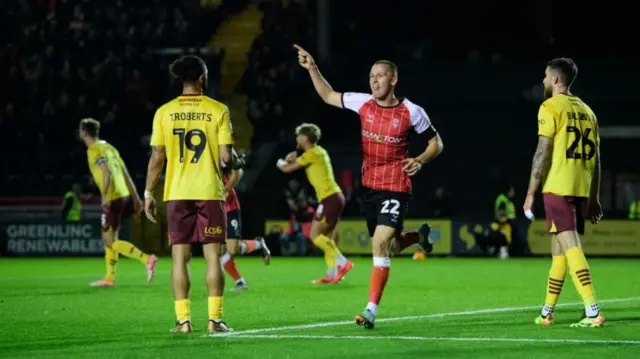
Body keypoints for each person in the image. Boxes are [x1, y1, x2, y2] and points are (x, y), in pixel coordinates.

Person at [294, 45, 444, 329]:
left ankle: (371, 310)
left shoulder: (412, 111)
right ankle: (419, 237)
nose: (374, 81)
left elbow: (436, 142)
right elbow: (327, 95)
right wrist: (312, 68)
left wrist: (421, 160)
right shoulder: (362, 102)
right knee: (392, 245)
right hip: (370, 187)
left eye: (380, 76)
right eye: (371, 76)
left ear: (393, 80)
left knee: (379, 244)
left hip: (396, 185)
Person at [143, 55, 244, 334]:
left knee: (179, 259)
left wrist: (148, 192)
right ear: (202, 78)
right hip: (209, 191)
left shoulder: (164, 111)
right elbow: (226, 156)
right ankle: (214, 320)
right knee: (213, 257)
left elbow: (157, 156)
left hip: (176, 191)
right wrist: (236, 159)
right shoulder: (218, 109)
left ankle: (183, 321)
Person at [523, 58, 604, 328]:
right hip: (580, 187)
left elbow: (542, 152)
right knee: (559, 250)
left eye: (546, 76)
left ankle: (593, 311)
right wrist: (593, 198)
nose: (544, 81)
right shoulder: (588, 112)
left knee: (571, 248)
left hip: (557, 186)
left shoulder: (550, 106)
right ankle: (547, 311)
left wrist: (530, 192)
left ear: (557, 79)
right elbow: (597, 161)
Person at [79, 118, 157, 287]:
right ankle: (109, 277)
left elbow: (106, 171)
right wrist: (136, 199)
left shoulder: (94, 149)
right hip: (124, 194)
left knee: (108, 240)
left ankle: (147, 259)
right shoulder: (109, 147)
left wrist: (105, 196)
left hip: (113, 196)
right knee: (112, 237)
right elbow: (125, 172)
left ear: (83, 132)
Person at [276, 123, 354, 284]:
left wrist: (281, 161)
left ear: (305, 137)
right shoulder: (317, 152)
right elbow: (299, 161)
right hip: (332, 197)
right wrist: (294, 159)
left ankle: (343, 263)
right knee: (327, 238)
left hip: (330, 198)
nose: (297, 138)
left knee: (315, 236)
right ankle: (332, 274)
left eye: (299, 135)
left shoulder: (313, 152)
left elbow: (286, 169)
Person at [220, 161, 272, 291]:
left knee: (232, 250)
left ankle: (258, 244)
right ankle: (240, 282)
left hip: (229, 207)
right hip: (212, 209)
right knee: (219, 251)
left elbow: (238, 171)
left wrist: (225, 189)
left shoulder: (220, 153)